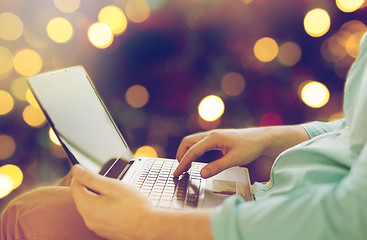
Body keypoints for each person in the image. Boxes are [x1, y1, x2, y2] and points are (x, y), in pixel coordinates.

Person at [1, 34, 367, 240]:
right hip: (273, 203)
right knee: (78, 190)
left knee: (30, 213)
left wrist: (149, 223)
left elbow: (350, 221)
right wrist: (271, 136)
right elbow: (353, 131)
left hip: (279, 222)